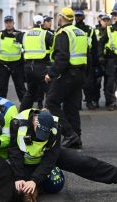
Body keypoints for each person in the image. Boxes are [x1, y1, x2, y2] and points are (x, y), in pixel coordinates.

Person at [8, 108, 117, 198]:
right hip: (24, 162)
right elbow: (14, 153)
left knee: (83, 162)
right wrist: (19, 177)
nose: (42, 137)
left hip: (45, 157)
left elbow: (50, 158)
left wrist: (35, 180)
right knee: (20, 189)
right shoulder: (18, 123)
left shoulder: (55, 127)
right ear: (34, 122)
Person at [44, 7, 87, 149]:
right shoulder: (80, 32)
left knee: (51, 102)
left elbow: (62, 57)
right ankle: (77, 138)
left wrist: (51, 74)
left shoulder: (63, 33)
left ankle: (69, 134)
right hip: (79, 73)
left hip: (67, 73)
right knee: (71, 107)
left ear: (61, 17)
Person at [19, 15, 54, 111]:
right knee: (50, 91)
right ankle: (49, 114)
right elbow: (55, 46)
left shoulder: (25, 34)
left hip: (28, 67)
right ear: (42, 23)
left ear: (33, 23)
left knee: (30, 92)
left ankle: (21, 114)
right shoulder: (46, 34)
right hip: (41, 66)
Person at [0, 15, 27, 102]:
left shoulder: (19, 35)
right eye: (7, 22)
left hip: (17, 65)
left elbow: (26, 48)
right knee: (2, 90)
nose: (8, 24)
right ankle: (0, 108)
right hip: (3, 65)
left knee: (21, 88)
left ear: (13, 23)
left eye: (10, 22)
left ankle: (26, 108)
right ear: (5, 24)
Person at [74, 10, 98, 110]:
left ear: (83, 17)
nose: (78, 18)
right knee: (76, 84)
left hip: (88, 58)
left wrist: (96, 62)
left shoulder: (89, 29)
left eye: (79, 16)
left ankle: (89, 102)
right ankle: (77, 104)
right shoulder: (72, 29)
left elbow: (95, 46)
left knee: (89, 83)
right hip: (75, 59)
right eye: (76, 16)